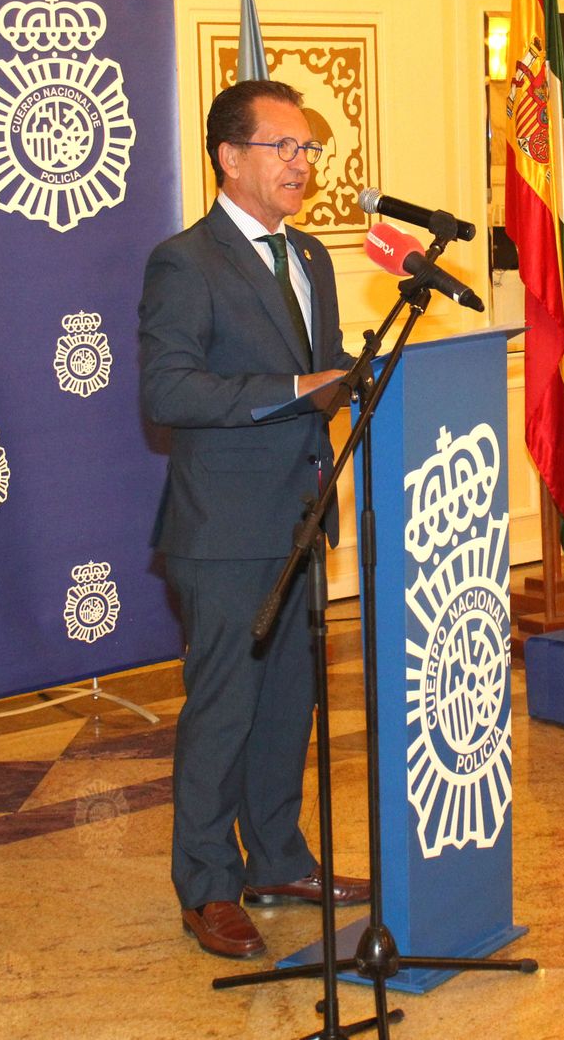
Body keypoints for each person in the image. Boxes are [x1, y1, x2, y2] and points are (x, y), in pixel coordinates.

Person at [139, 79, 368, 960]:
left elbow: (321, 368)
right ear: (230, 157)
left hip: (305, 514)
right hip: (225, 528)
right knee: (226, 708)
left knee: (288, 705)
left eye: (309, 149)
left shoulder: (310, 258)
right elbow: (167, 389)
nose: (302, 165)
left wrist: (361, 373)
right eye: (285, 147)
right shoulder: (185, 262)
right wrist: (293, 390)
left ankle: (277, 858)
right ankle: (206, 883)